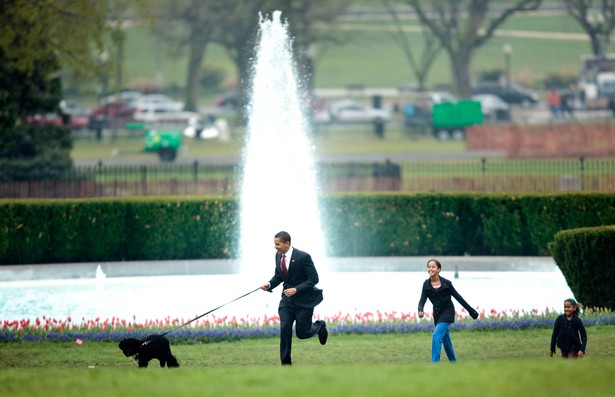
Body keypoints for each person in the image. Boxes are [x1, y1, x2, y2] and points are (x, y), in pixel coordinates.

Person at [260, 231, 327, 365]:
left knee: (302, 333)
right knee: (285, 328)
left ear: (287, 243)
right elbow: (279, 276)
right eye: (275, 244)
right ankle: (286, 364)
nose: (275, 247)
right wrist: (269, 284)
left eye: (277, 244)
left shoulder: (303, 257)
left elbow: (314, 279)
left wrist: (296, 289)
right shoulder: (278, 256)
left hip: (303, 301)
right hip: (287, 301)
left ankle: (320, 326)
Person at [418, 259, 479, 363]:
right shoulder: (426, 284)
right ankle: (454, 364)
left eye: (433, 267)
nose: (430, 269)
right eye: (429, 267)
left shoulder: (446, 283)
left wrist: (471, 311)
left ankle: (434, 365)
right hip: (437, 314)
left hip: (448, 312)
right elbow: (422, 300)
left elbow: (458, 297)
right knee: (446, 341)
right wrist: (420, 310)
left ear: (439, 269)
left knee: (436, 335)